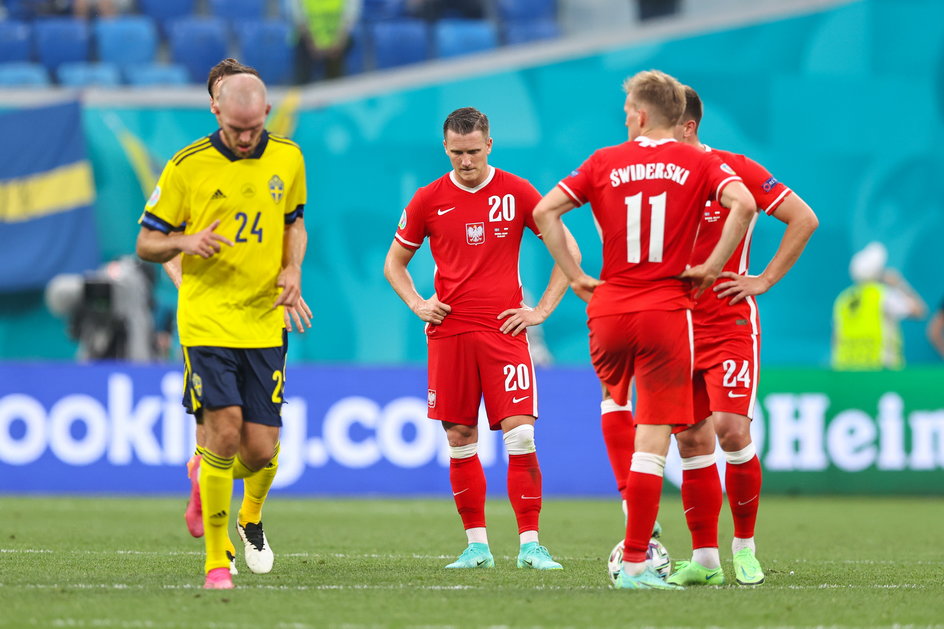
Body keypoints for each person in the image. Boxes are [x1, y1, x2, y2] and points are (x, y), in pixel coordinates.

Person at [533, 69, 756, 590]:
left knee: (616, 403)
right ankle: (636, 558)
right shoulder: (698, 160)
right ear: (678, 118)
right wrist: (712, 266)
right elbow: (744, 205)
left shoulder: (605, 160)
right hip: (664, 309)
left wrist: (575, 276)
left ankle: (634, 519)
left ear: (637, 114)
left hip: (607, 307)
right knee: (655, 440)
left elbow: (545, 212)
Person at [384, 106, 577, 571]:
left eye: (473, 152)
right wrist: (417, 304)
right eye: (456, 153)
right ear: (445, 148)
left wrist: (541, 310)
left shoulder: (517, 191)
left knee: (521, 435)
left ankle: (530, 544)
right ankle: (477, 546)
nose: (465, 162)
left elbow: (567, 248)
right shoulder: (428, 199)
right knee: (460, 436)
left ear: (489, 145)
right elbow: (394, 264)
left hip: (503, 329)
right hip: (449, 332)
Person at [136, 72, 308, 590]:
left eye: (254, 128)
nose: (245, 138)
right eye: (236, 129)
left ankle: (219, 490)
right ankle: (216, 563)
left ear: (266, 114)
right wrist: (183, 243)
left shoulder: (289, 158)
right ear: (217, 114)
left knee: (258, 451)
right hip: (206, 319)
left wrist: (293, 270)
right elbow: (146, 242)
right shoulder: (187, 166)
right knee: (224, 428)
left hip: (263, 320)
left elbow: (293, 222)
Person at [652, 85, 818, 587]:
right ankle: (705, 560)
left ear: (689, 127)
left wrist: (763, 279)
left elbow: (803, 218)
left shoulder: (735, 170)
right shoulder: (655, 178)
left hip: (727, 323)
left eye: (664, 128)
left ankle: (744, 548)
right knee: (691, 439)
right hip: (674, 325)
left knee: (731, 429)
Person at [831, 242, 926, 370]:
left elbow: (835, 339)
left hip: (846, 370)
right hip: (879, 370)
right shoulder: (882, 295)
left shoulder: (843, 298)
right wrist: (899, 283)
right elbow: (919, 311)